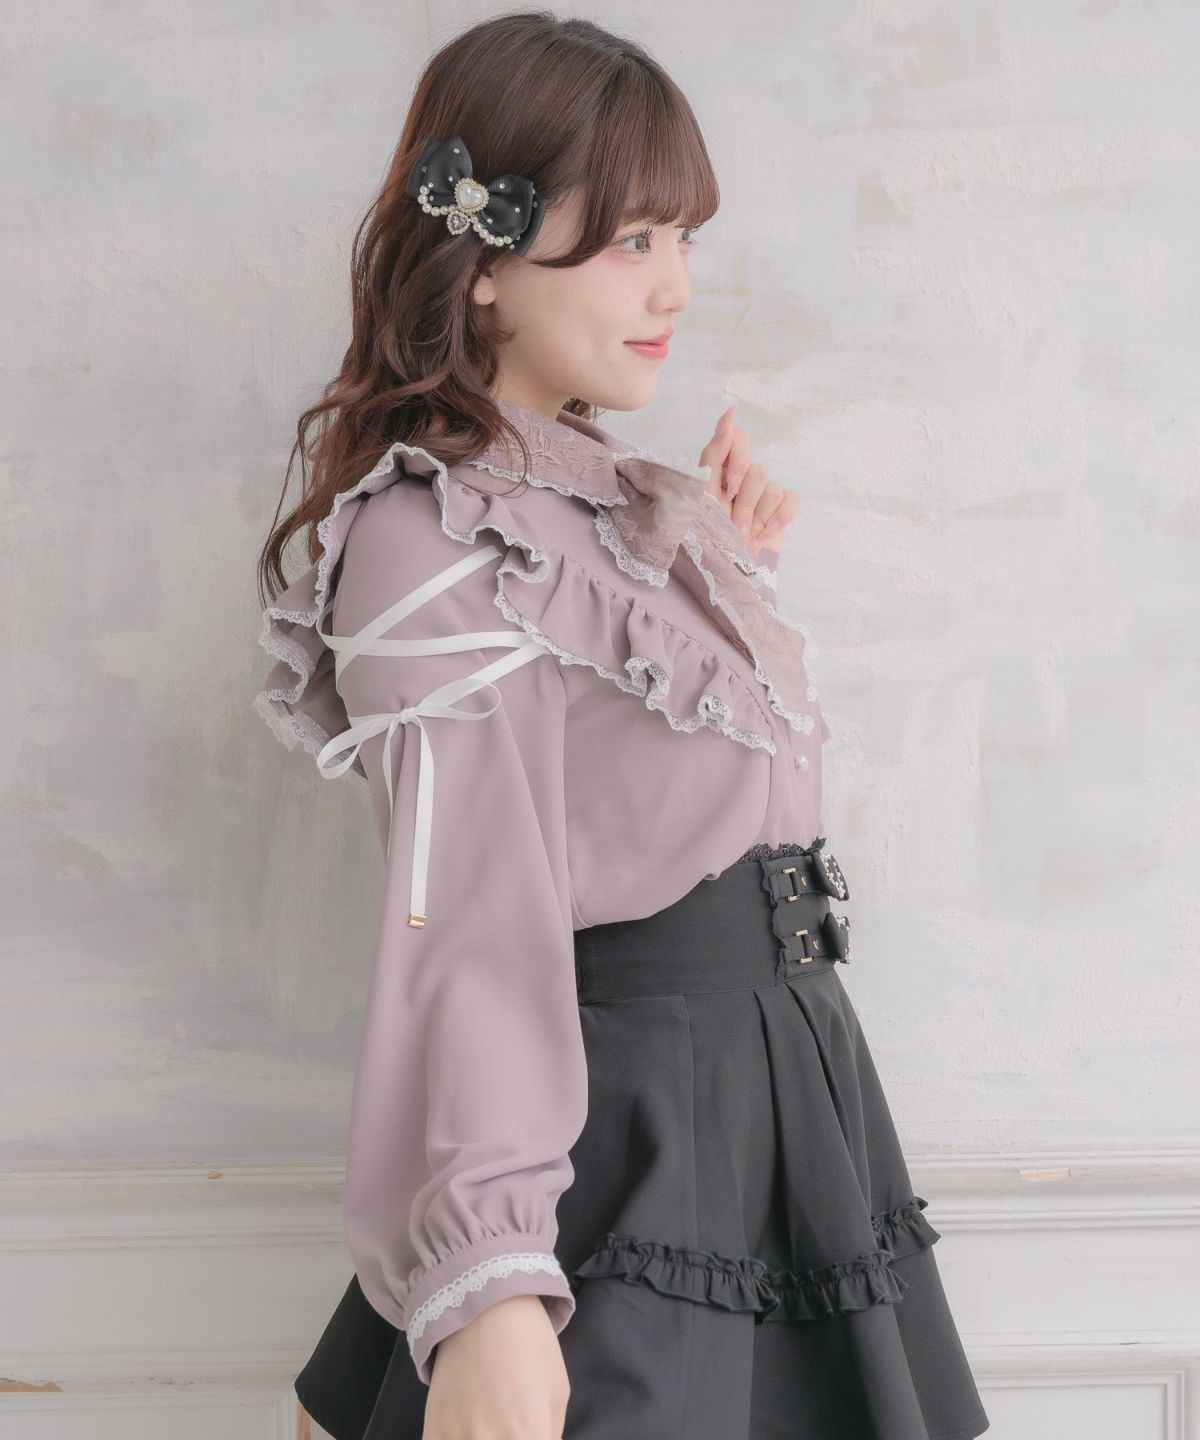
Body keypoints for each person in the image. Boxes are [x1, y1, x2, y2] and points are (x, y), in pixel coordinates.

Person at [253, 13, 991, 1440]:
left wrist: (723, 577)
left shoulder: (610, 505)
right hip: (631, 1137)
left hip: (793, 1110)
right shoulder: (435, 539)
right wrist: (489, 1283)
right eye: (632, 240)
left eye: (684, 238)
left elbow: (660, 804)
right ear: (481, 260)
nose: (676, 286)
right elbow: (468, 925)